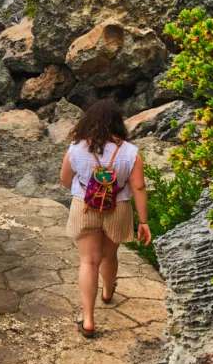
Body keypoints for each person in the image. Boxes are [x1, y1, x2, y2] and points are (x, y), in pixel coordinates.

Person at [60, 99, 152, 338]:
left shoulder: (76, 148)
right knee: (109, 256)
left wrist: (83, 188)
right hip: (117, 208)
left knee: (88, 262)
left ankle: (88, 320)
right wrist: (143, 221)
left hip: (84, 207)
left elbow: (65, 179)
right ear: (118, 123)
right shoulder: (131, 153)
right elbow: (139, 187)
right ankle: (108, 293)